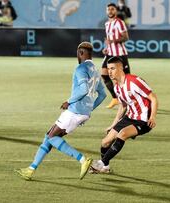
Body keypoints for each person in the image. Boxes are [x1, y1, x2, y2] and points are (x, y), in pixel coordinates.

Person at [15, 42, 107, 180]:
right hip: (82, 112)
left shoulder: (81, 68)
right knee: (49, 137)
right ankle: (31, 169)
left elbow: (83, 90)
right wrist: (88, 109)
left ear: (80, 53)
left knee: (52, 137)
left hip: (75, 110)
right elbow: (102, 94)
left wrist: (69, 101)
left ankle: (82, 159)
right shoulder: (95, 69)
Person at [91, 56, 158, 173]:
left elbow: (153, 98)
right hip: (130, 117)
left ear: (121, 68)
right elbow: (123, 106)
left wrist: (152, 117)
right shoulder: (117, 88)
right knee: (105, 142)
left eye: (112, 68)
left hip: (144, 120)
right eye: (108, 69)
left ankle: (100, 164)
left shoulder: (135, 81)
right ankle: (105, 167)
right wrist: (113, 124)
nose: (109, 72)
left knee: (122, 134)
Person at [101, 3, 130, 109]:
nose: (110, 11)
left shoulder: (120, 22)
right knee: (104, 75)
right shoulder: (107, 24)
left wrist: (112, 41)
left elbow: (126, 37)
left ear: (116, 11)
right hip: (110, 53)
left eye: (112, 9)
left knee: (126, 79)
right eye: (108, 9)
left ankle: (130, 100)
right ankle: (115, 98)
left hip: (120, 54)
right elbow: (108, 40)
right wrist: (106, 48)